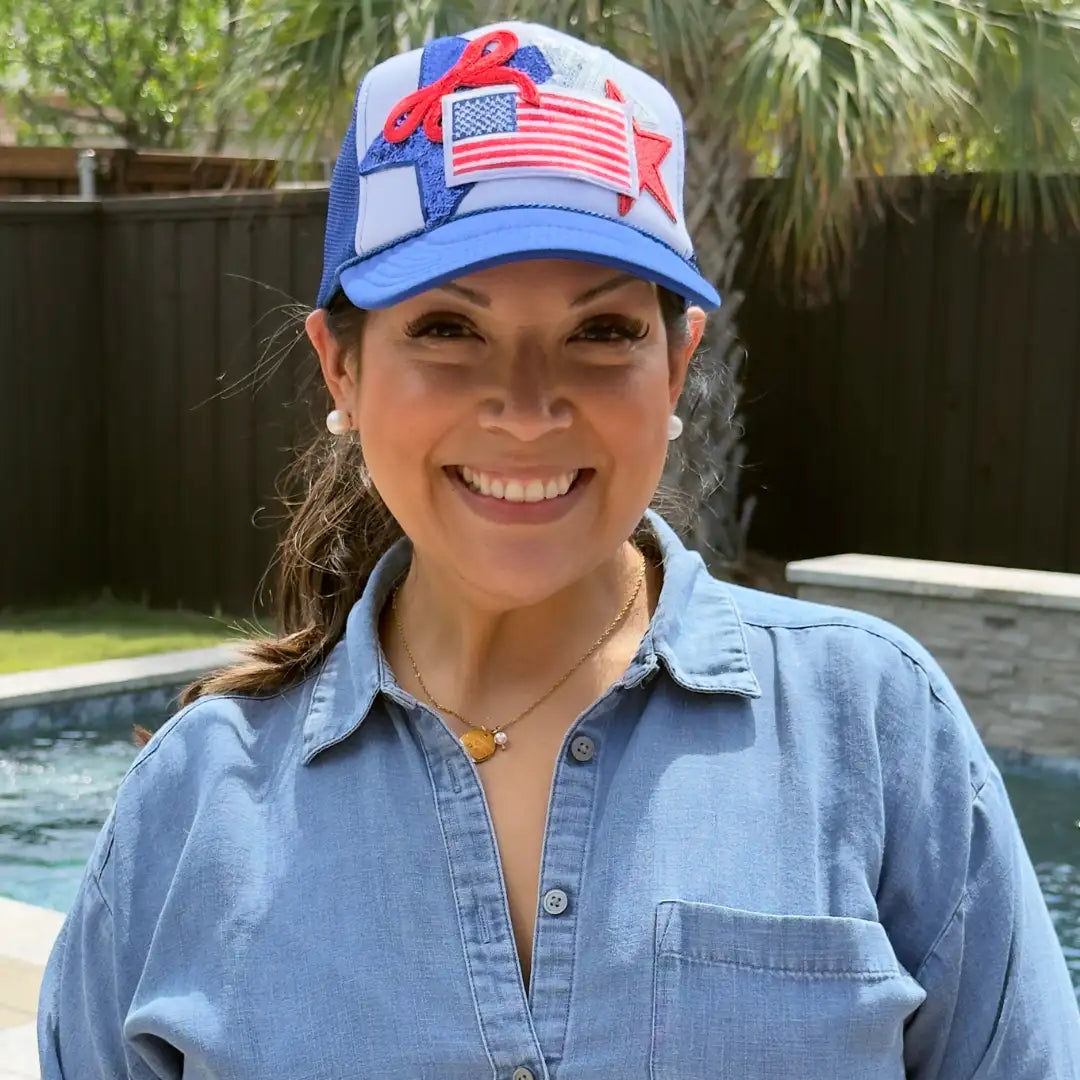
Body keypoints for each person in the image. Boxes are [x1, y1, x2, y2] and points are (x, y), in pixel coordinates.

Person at [38, 20, 1080, 1080]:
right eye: (448, 328)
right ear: (341, 369)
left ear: (676, 366)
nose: (529, 408)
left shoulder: (873, 732)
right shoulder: (190, 806)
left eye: (602, 332)